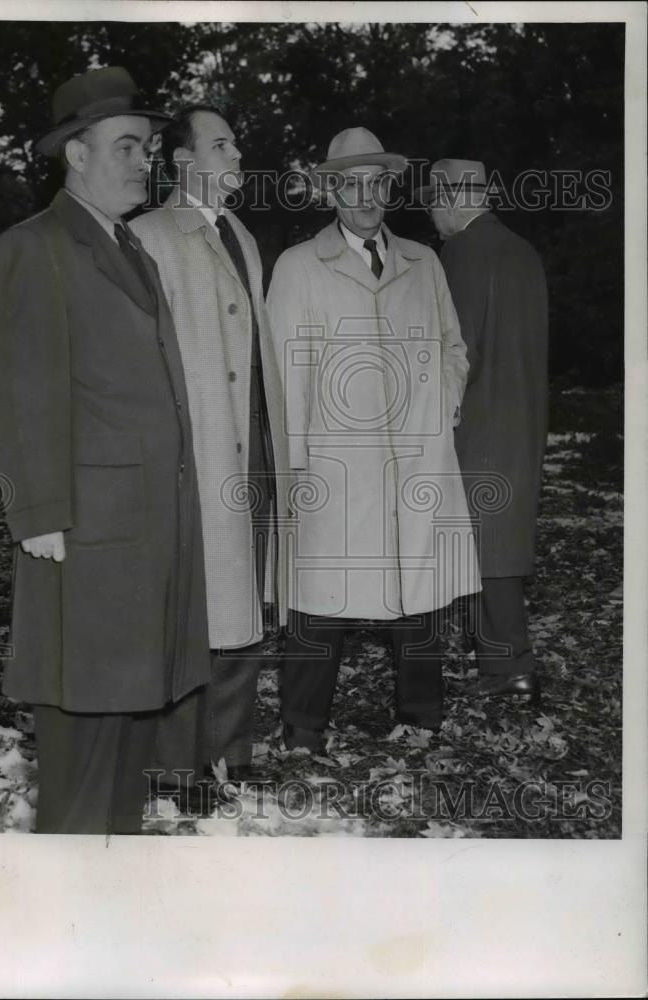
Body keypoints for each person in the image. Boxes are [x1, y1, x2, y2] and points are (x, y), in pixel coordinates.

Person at [0, 67, 210, 834]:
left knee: (130, 718)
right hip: (83, 532)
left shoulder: (130, 248)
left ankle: (109, 890)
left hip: (147, 528)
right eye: (124, 146)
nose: (141, 160)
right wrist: (39, 512)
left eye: (145, 147)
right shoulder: (34, 247)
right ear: (74, 154)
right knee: (82, 726)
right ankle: (62, 910)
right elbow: (22, 390)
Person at [266, 127, 481, 746]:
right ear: (331, 190)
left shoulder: (424, 261)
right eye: (350, 183)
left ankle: (420, 718)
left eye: (376, 183)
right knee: (320, 593)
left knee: (419, 589)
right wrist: (300, 465)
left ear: (390, 187)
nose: (365, 196)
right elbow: (285, 373)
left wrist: (439, 407)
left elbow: (452, 347)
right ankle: (304, 728)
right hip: (335, 464)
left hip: (417, 459)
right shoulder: (300, 267)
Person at [130, 105, 290, 780]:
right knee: (188, 606)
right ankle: (173, 766)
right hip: (190, 453)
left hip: (247, 449)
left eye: (236, 141)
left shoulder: (243, 236)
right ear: (183, 161)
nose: (236, 154)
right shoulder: (147, 236)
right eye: (221, 144)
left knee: (240, 604)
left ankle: (229, 753)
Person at [419, 158, 548, 704]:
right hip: (522, 414)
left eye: (432, 203)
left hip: (476, 417)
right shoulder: (523, 250)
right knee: (500, 536)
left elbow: (456, 345)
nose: (431, 217)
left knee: (484, 544)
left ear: (451, 199)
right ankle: (503, 662)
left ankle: (508, 668)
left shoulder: (460, 253)